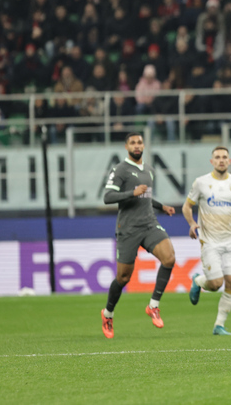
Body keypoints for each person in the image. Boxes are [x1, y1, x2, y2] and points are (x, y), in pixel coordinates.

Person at [101, 133, 177, 338]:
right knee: (123, 277)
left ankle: (153, 305)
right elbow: (107, 196)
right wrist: (130, 193)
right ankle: (108, 314)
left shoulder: (149, 170)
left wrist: (162, 207)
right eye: (133, 142)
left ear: (144, 145)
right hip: (128, 229)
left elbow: (146, 196)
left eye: (140, 142)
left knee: (169, 258)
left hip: (149, 224)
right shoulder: (120, 169)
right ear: (126, 146)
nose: (137, 146)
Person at [182, 146, 231, 335]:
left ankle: (219, 325)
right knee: (216, 284)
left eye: (224, 157)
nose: (221, 160)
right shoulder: (201, 183)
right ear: (212, 161)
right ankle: (198, 281)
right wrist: (192, 223)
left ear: (229, 161)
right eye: (217, 157)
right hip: (210, 241)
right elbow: (187, 207)